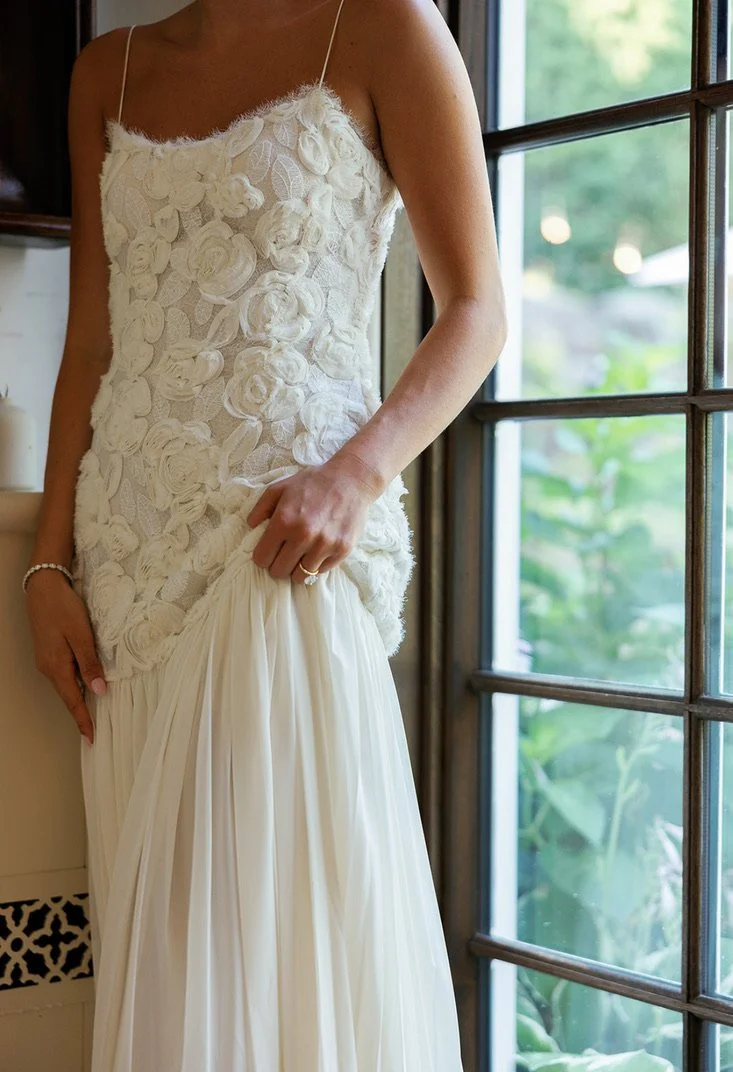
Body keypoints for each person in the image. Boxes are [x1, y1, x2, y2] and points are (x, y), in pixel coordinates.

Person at [23, 0, 507, 1067]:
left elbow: (476, 309)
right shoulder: (108, 71)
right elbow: (93, 338)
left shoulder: (386, 27)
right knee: (174, 955)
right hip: (127, 576)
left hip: (283, 550)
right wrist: (49, 560)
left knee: (279, 945)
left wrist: (356, 475)